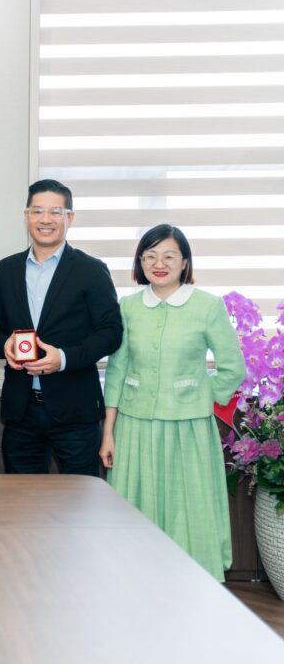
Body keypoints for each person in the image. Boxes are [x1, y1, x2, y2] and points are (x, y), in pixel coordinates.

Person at [100, 224, 244, 581]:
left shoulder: (207, 306)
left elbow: (232, 368)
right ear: (140, 263)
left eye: (168, 256)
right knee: (134, 505)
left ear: (184, 262)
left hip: (188, 428)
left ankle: (191, 583)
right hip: (134, 427)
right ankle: (136, 580)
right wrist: (108, 433)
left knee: (188, 506)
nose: (158, 264)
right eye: (149, 256)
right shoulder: (128, 307)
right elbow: (117, 371)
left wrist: (198, 394)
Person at [0, 179, 123, 476]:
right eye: (37, 211)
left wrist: (62, 358)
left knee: (80, 498)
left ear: (69, 217)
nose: (45, 219)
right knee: (22, 498)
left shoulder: (91, 270)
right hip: (21, 411)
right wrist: (4, 345)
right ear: (26, 216)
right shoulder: (5, 270)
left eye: (55, 212)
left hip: (76, 411)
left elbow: (111, 333)